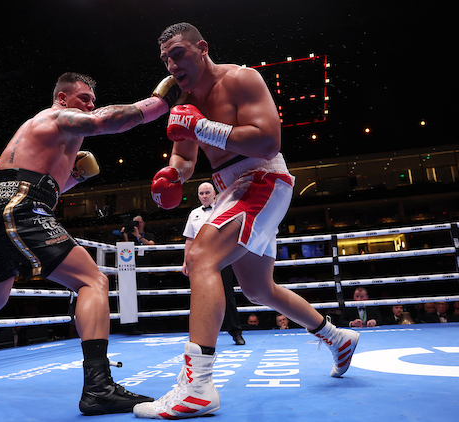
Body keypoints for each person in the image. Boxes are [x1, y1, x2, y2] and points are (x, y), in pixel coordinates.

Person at [0, 71, 186, 415]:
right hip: (20, 206)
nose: (90, 106)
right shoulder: (56, 116)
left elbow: (43, 183)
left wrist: (73, 177)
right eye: (84, 98)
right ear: (63, 98)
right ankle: (99, 387)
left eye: (93, 101)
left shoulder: (43, 132)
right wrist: (159, 103)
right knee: (93, 281)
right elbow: (104, 122)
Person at [134, 23, 360, 419]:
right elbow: (184, 155)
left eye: (179, 53)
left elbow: (268, 140)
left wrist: (201, 126)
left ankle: (197, 388)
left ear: (202, 48)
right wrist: (173, 175)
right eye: (165, 59)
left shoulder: (241, 79)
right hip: (231, 188)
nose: (171, 65)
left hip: (262, 176)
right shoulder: (184, 100)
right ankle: (336, 337)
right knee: (257, 289)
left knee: (202, 257)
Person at [183, 182, 244, 345]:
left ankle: (236, 333)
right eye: (201, 193)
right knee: (200, 298)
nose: (204, 196)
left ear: (214, 194)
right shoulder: (194, 214)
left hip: (221, 257)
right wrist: (185, 261)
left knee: (228, 295)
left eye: (207, 193)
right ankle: (202, 337)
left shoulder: (223, 210)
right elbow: (189, 239)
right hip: (199, 262)